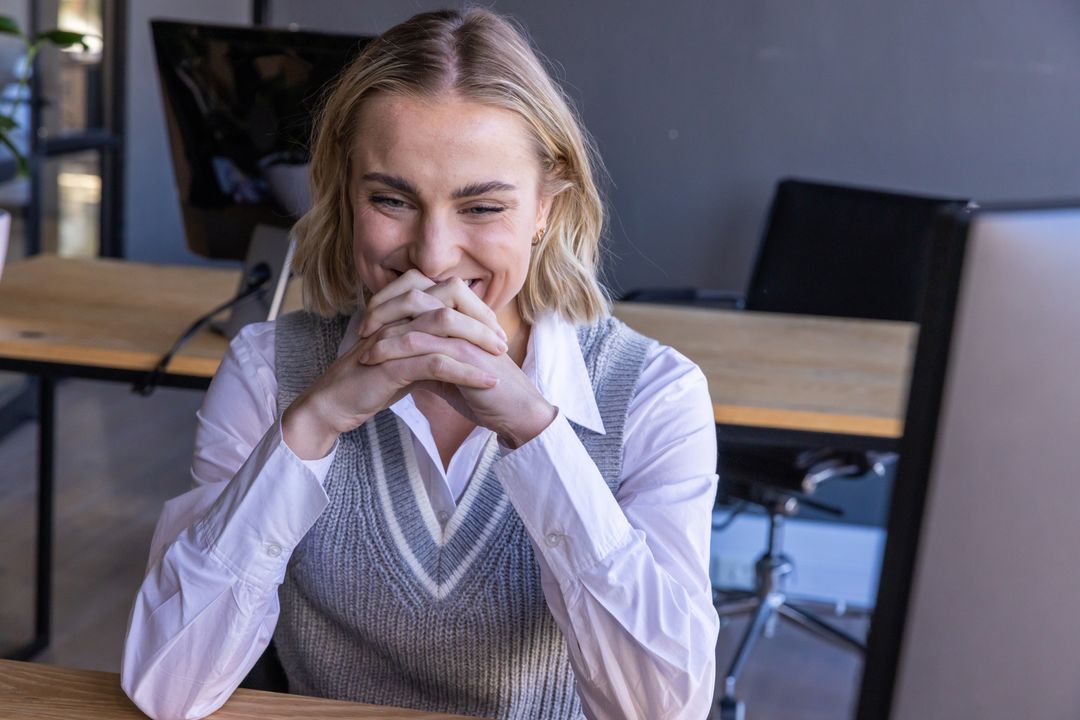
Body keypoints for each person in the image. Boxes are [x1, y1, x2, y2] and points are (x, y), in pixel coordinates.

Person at [121, 8, 719, 720]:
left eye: (482, 208)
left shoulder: (655, 394)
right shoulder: (264, 369)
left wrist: (534, 430)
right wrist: (310, 425)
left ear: (545, 210)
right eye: (391, 199)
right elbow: (167, 688)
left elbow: (661, 708)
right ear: (344, 191)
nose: (433, 257)